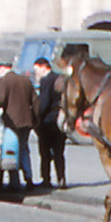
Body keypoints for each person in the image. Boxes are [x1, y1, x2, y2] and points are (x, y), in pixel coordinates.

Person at [0, 59, 37, 190]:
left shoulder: (3, 81)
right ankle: (29, 178)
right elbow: (36, 101)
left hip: (11, 122)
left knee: (11, 148)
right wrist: (35, 120)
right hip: (26, 121)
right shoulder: (26, 81)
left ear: (1, 67)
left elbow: (0, 100)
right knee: (24, 149)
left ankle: (15, 182)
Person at [32, 56, 68, 189]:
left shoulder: (46, 81)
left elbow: (44, 103)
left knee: (45, 153)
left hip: (47, 122)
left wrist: (36, 117)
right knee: (59, 153)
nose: (36, 73)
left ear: (43, 67)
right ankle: (61, 178)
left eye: (37, 70)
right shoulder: (59, 78)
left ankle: (46, 179)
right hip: (59, 119)